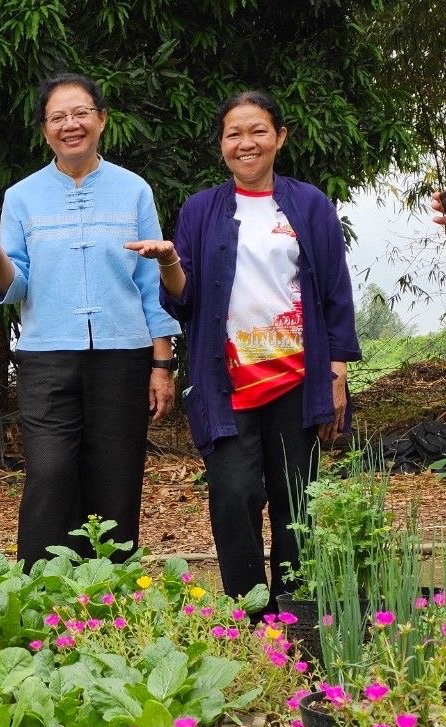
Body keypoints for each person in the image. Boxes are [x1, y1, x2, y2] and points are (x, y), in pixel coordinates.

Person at [127, 90, 360, 607]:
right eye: (234, 133)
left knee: (294, 500)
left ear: (280, 137)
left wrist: (337, 372)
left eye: (257, 130)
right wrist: (168, 262)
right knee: (234, 496)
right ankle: (250, 615)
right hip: (226, 382)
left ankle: (296, 617)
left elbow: (335, 293)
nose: (245, 142)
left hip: (298, 380)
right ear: (221, 145)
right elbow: (184, 303)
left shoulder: (310, 204)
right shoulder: (201, 209)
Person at [0, 73, 180, 568]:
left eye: (80, 114)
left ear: (101, 119)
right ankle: (42, 589)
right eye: (57, 117)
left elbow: (150, 279)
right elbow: (15, 288)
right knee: (51, 471)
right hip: (47, 355)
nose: (70, 125)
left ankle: (110, 593)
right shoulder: (22, 196)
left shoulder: (133, 190)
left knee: (116, 474)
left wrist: (162, 362)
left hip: (124, 353)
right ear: (44, 129)